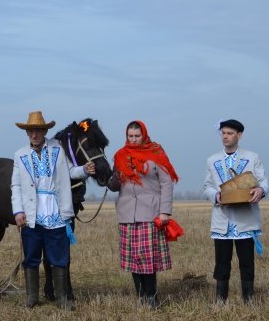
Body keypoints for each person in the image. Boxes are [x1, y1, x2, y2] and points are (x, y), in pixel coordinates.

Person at [11, 111, 95, 310]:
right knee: (31, 256)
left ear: (45, 131)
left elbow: (70, 171)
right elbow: (16, 186)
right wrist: (18, 211)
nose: (34, 135)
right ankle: (32, 297)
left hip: (56, 211)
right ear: (27, 133)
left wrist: (84, 170)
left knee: (59, 256)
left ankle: (62, 298)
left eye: (38, 130)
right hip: (32, 214)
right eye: (31, 131)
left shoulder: (58, 149)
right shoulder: (19, 155)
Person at [110, 120, 178, 308]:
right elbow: (115, 184)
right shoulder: (120, 155)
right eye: (130, 136)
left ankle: (152, 297)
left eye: (137, 136)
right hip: (127, 213)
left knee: (147, 259)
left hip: (150, 212)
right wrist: (112, 179)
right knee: (133, 259)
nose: (133, 139)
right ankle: (140, 296)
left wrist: (165, 211)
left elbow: (166, 183)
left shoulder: (156, 153)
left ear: (144, 135)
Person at [202, 119, 269, 304]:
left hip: (245, 219)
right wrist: (216, 196)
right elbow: (207, 186)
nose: (225, 136)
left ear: (239, 135)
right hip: (222, 218)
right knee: (221, 262)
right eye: (223, 133)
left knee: (247, 262)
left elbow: (264, 181)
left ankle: (249, 300)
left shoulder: (253, 157)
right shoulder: (212, 160)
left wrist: (260, 190)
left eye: (230, 133)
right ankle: (220, 300)